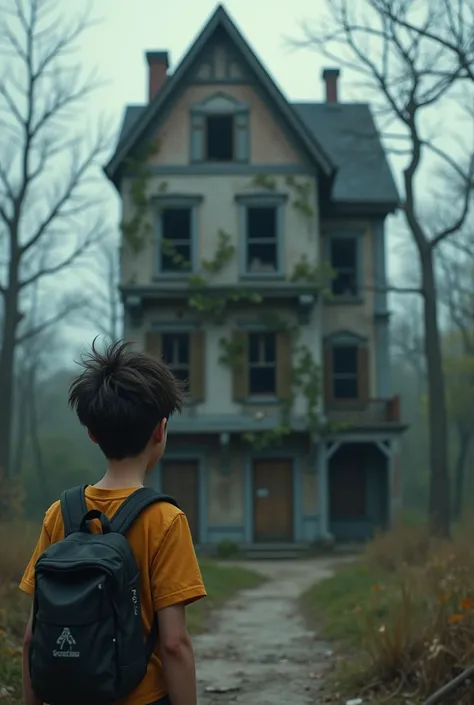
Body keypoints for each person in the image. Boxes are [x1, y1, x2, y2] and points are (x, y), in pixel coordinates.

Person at [19, 339, 207, 705]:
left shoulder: (59, 512)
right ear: (160, 431)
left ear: (91, 433)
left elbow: (33, 636)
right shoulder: (165, 520)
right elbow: (173, 644)